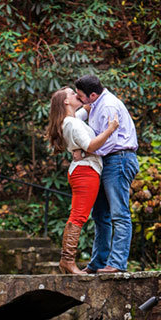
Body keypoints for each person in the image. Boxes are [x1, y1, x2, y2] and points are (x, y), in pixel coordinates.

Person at [47, 87, 119, 274]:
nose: (77, 96)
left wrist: (89, 101)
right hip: (85, 172)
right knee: (79, 216)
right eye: (73, 94)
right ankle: (67, 260)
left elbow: (83, 112)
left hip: (86, 169)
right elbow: (91, 145)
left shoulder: (72, 119)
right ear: (65, 101)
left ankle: (68, 261)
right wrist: (111, 129)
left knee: (81, 215)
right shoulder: (71, 123)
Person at [74, 75, 139, 273]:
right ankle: (98, 263)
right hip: (106, 161)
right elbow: (73, 119)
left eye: (80, 96)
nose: (78, 99)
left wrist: (84, 151)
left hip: (118, 159)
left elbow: (109, 143)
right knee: (100, 214)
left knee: (119, 213)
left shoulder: (108, 106)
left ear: (92, 94)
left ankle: (117, 263)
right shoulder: (94, 103)